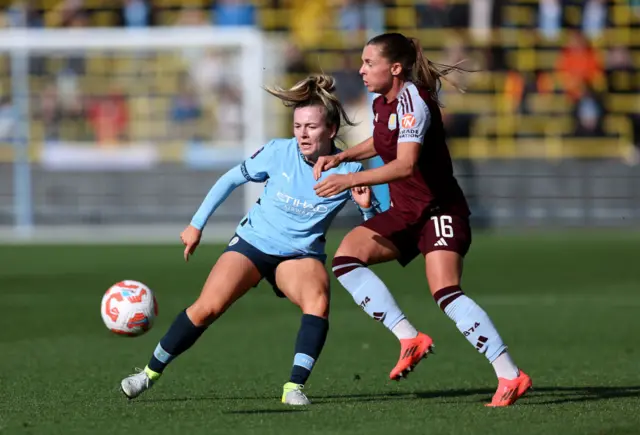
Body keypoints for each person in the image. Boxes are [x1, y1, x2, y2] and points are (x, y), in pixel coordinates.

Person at [120, 75, 379, 406]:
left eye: (311, 127)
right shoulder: (277, 151)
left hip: (299, 256)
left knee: (318, 302)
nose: (301, 133)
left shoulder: (351, 169)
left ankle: (294, 387)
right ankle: (147, 374)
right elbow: (230, 179)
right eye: (297, 125)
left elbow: (372, 230)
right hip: (253, 244)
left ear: (330, 130)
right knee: (206, 309)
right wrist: (196, 225)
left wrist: (367, 208)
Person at [312, 33, 532, 407]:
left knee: (445, 291)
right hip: (407, 212)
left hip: (439, 211)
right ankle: (409, 338)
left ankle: (510, 374)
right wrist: (343, 157)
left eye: (369, 63)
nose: (361, 70)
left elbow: (405, 163)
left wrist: (350, 178)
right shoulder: (383, 102)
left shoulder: (413, 101)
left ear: (394, 68)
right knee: (346, 259)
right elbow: (384, 145)